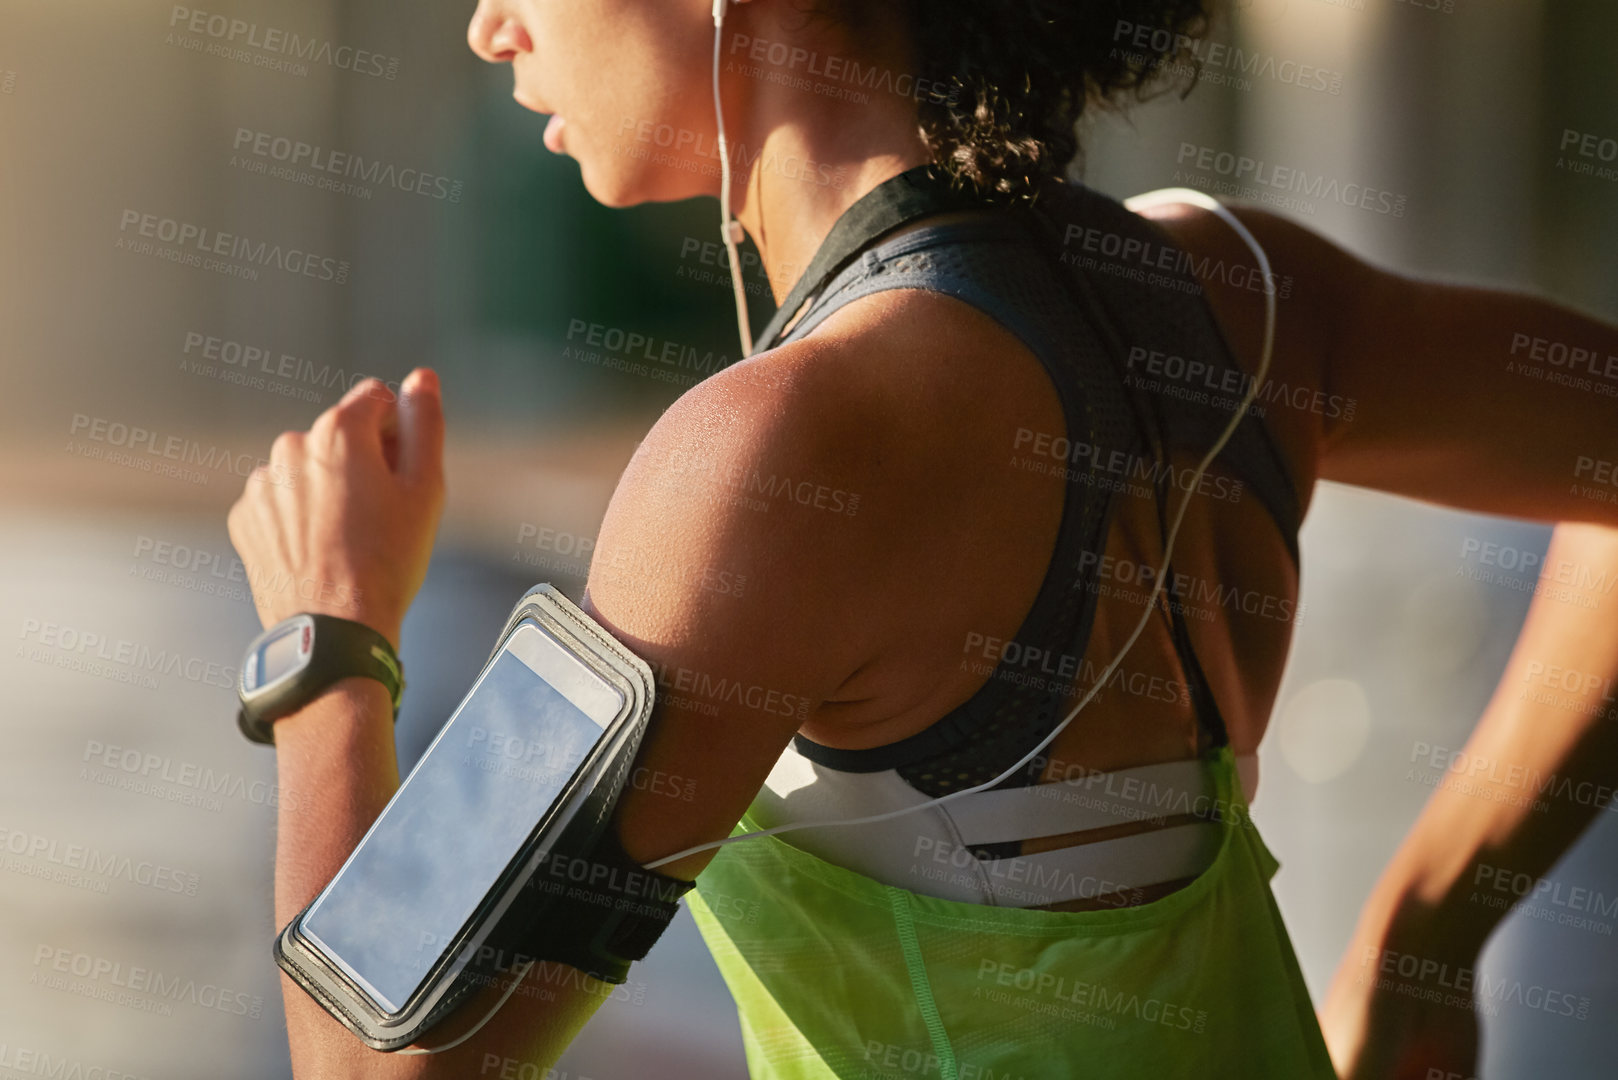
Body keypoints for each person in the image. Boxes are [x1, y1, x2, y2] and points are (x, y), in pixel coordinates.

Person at [225, 1, 1618, 1077]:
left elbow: (376, 1059)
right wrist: (1426, 933)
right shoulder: (1231, 299)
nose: (488, 24)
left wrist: (326, 641)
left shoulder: (765, 458)